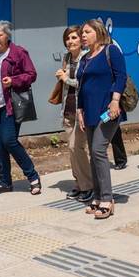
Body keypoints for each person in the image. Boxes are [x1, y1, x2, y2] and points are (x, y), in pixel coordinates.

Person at [0, 20, 42, 195]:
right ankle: (5, 181)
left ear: (7, 35)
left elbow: (31, 74)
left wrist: (14, 81)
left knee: (9, 140)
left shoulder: (19, 53)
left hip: (11, 105)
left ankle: (32, 176)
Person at [76, 19, 127, 219]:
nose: (83, 36)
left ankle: (107, 198)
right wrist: (80, 110)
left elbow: (121, 76)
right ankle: (96, 198)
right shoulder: (85, 58)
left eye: (86, 32)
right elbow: (80, 86)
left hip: (107, 109)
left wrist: (115, 100)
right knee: (93, 153)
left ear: (98, 32)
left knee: (98, 150)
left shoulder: (111, 51)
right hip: (88, 111)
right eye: (82, 33)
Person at [54, 26, 94, 201]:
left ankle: (88, 186)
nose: (70, 41)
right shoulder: (66, 58)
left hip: (81, 109)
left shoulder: (87, 58)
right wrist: (61, 77)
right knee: (72, 150)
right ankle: (79, 183)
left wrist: (66, 79)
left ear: (81, 40)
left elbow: (86, 84)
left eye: (73, 38)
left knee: (75, 147)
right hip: (67, 108)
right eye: (67, 38)